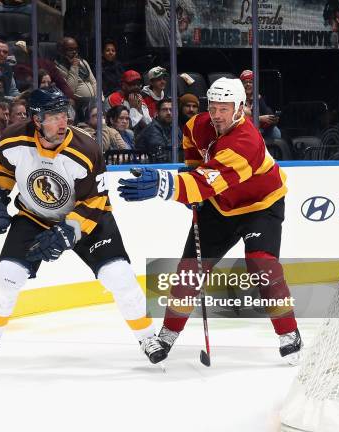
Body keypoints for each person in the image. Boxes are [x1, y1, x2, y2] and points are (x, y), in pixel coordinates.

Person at [0, 87, 167, 367]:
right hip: (35, 215)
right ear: (37, 120)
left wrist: (70, 230)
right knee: (7, 275)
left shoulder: (86, 150)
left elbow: (95, 199)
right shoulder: (12, 139)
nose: (62, 123)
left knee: (119, 277)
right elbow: (4, 168)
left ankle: (147, 337)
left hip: (89, 217)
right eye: (53, 116)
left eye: (64, 115)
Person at [117, 77, 303, 365]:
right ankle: (168, 332)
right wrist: (192, 167)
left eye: (224, 108)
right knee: (189, 272)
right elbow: (191, 143)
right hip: (220, 206)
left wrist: (164, 185)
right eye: (213, 107)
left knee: (262, 265)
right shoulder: (199, 123)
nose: (216, 115)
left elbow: (207, 182)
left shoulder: (246, 142)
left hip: (260, 207)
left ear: (240, 107)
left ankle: (289, 333)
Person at [240, 69, 280, 140]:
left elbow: (266, 113)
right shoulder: (238, 99)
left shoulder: (258, 98)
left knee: (275, 132)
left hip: (259, 128)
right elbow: (241, 121)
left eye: (250, 82)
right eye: (245, 82)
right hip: (243, 129)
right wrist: (260, 119)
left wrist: (272, 120)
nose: (248, 84)